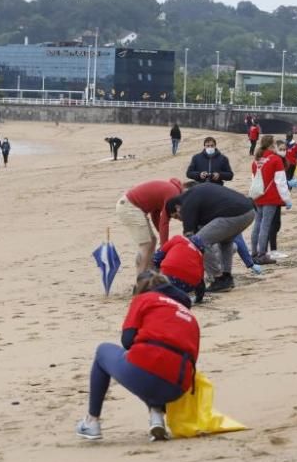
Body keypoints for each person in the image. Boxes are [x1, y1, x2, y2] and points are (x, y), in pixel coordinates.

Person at [75, 271, 199, 441]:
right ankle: (156, 417)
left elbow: (127, 340)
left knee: (103, 351)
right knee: (157, 365)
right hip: (177, 387)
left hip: (146, 373)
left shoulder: (144, 299)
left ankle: (91, 421)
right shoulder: (188, 314)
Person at [165, 183, 256, 293]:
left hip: (234, 213)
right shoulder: (195, 195)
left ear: (177, 207)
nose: (179, 220)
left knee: (200, 242)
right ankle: (226, 277)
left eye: (176, 216)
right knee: (226, 241)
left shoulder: (187, 203)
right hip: (249, 211)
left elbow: (191, 239)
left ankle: (218, 278)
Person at [118, 178, 186, 276]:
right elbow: (164, 222)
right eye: (176, 217)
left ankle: (149, 275)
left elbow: (155, 215)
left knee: (152, 240)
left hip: (130, 206)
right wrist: (164, 248)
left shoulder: (171, 192)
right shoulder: (173, 195)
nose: (176, 218)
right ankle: (140, 280)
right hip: (129, 207)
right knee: (146, 244)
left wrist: (163, 242)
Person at [250, 135, 292, 265]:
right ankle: (262, 254)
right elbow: (281, 182)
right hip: (271, 196)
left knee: (257, 224)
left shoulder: (256, 160)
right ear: (271, 145)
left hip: (257, 196)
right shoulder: (275, 159)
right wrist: (287, 199)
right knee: (265, 225)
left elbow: (254, 180)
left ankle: (254, 252)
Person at [153, 234, 207, 303]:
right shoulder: (200, 256)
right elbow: (201, 282)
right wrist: (199, 298)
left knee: (162, 287)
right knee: (178, 289)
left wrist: (158, 266)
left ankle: (161, 294)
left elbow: (157, 257)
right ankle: (178, 296)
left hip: (169, 272)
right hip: (189, 283)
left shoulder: (179, 238)